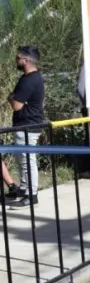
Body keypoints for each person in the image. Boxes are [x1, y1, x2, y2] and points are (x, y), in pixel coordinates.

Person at [8, 46, 44, 206]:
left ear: (27, 60)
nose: (17, 60)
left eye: (19, 58)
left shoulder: (30, 80)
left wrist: (11, 98)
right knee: (21, 159)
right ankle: (23, 188)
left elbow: (16, 104)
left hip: (28, 126)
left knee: (28, 161)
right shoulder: (30, 77)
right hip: (25, 125)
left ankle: (31, 194)